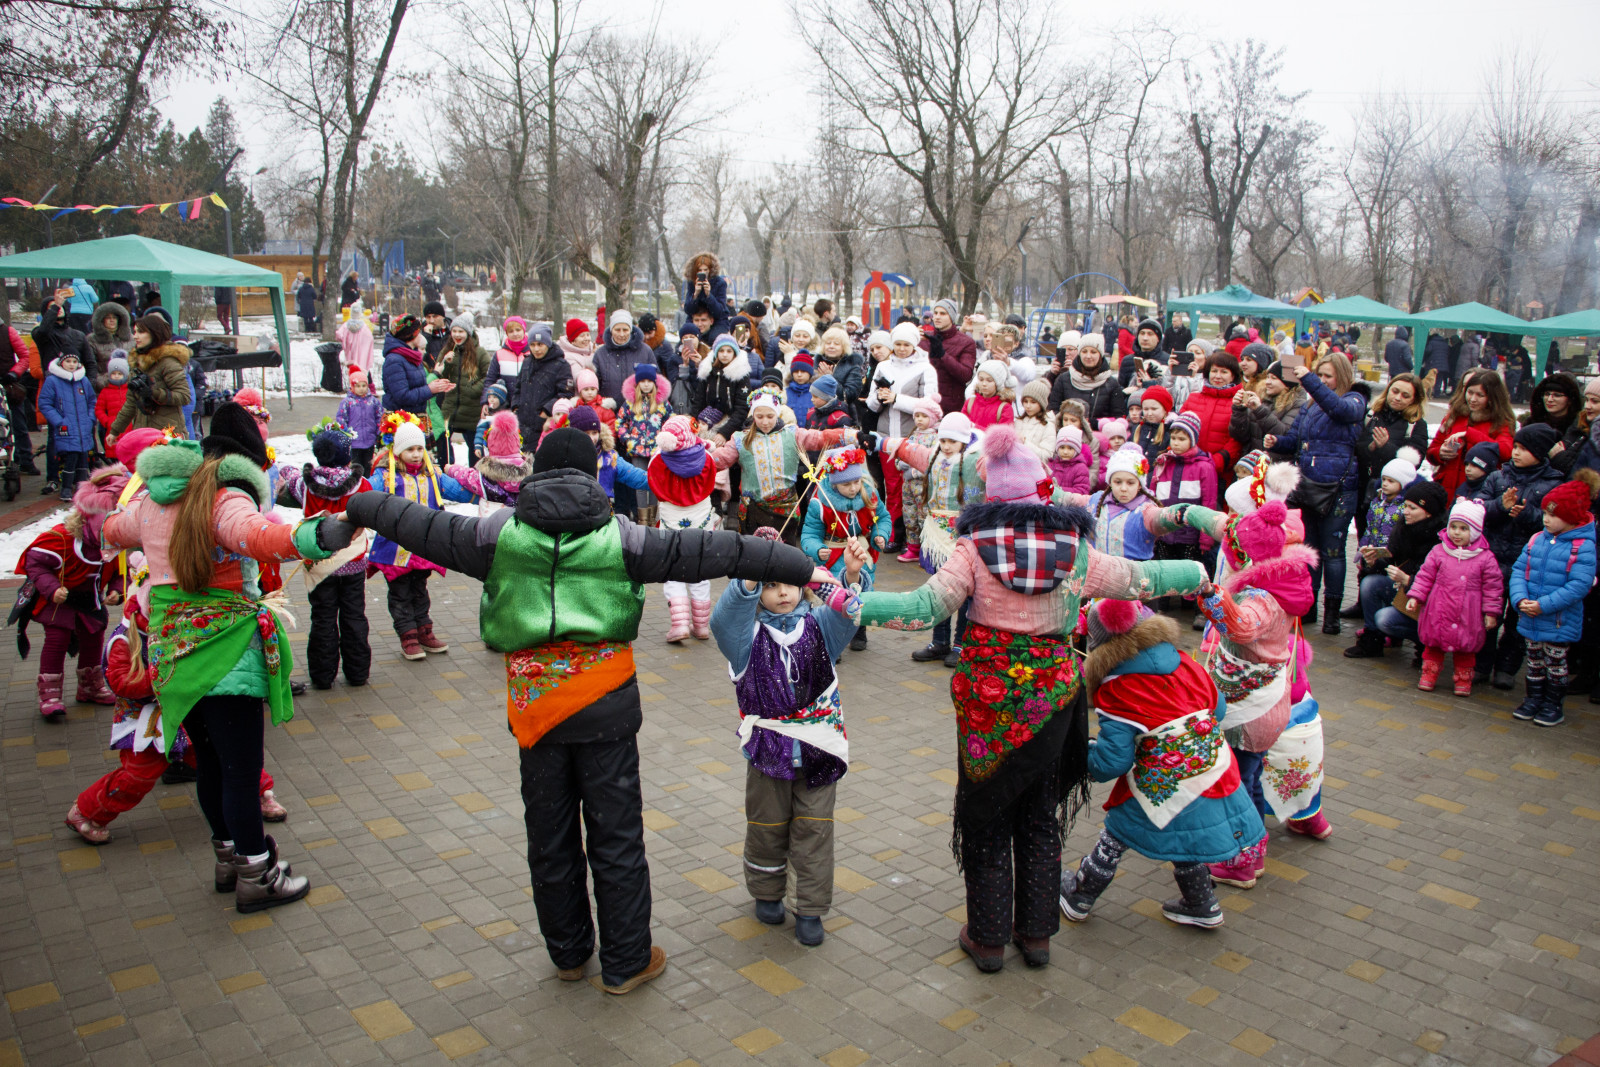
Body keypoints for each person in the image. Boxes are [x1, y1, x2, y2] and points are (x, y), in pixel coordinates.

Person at [347, 425, 838, 992]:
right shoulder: (622, 536)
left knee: (549, 834)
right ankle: (627, 962)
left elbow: (417, 523)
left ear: (536, 473)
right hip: (607, 703)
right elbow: (711, 549)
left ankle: (569, 954)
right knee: (617, 834)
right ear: (590, 473)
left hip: (535, 709)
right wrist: (801, 568)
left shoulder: (498, 534)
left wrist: (358, 504)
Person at [853, 426, 1207, 971]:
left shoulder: (972, 549)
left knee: (988, 812)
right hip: (1053, 694)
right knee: (1040, 816)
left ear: (989, 496)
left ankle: (989, 939)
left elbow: (923, 608)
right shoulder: (1077, 551)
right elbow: (1139, 578)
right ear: (1045, 491)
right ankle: (1037, 936)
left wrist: (849, 603)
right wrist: (1196, 572)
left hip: (987, 701)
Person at [102, 404, 357, 912]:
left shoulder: (157, 502)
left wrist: (112, 504)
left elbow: (112, 531)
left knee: (212, 764)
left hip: (171, 649)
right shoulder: (224, 499)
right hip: (224, 648)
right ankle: (258, 874)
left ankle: (230, 859)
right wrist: (318, 534)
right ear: (244, 461)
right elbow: (260, 537)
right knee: (241, 770)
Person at [1059, 599, 1264, 930]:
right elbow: (1219, 710)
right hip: (1211, 770)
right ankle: (1201, 902)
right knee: (1182, 829)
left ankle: (1081, 894)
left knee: (1118, 830)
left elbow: (1113, 761)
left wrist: (1082, 754)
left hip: (1162, 780)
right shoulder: (1186, 664)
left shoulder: (1120, 688)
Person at [709, 533, 866, 946]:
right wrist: (746, 579)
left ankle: (810, 907)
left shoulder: (818, 628)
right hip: (767, 752)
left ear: (803, 585)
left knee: (814, 830)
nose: (782, 593)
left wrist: (851, 574)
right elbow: (723, 622)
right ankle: (766, 891)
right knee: (767, 826)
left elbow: (847, 614)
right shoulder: (745, 639)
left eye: (790, 584)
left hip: (820, 749)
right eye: (771, 584)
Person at [1264, 354, 1365, 632]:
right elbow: (1295, 440)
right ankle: (1308, 607)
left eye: (1327, 376)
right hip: (1308, 486)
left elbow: (1339, 410)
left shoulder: (1355, 400)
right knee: (1310, 550)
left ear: (1342, 377)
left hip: (1338, 490)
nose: (1322, 381)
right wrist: (1276, 441)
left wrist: (1308, 379)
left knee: (1333, 551)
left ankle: (1331, 614)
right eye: (1319, 375)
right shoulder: (1310, 406)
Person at [367, 412, 477, 659]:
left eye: (420, 448)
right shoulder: (385, 476)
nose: (416, 454)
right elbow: (365, 493)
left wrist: (483, 494)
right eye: (410, 449)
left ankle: (424, 631)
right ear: (398, 451)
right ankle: (408, 636)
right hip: (394, 549)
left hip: (422, 546)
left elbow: (455, 490)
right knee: (400, 592)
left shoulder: (431, 475)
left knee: (419, 589)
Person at [274, 423, 373, 690]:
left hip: (318, 563)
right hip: (351, 562)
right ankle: (357, 672)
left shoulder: (306, 485)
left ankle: (322, 674)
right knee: (354, 616)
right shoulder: (361, 484)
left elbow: (287, 472)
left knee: (323, 618)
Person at [1468, 423, 1564, 689]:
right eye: (1517, 447)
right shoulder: (1498, 477)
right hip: (1493, 559)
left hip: (1529, 565)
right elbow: (1478, 509)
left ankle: (1507, 668)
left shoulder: (1553, 483)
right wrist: (1500, 505)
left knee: (1518, 620)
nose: (1517, 453)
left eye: (1524, 449)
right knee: (1488, 615)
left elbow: (1555, 521)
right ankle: (1481, 664)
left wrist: (1528, 515)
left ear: (1540, 451)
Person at [15, 471, 116, 720]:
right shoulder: (61, 539)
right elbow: (34, 562)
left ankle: (90, 687)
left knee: (94, 640)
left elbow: (119, 570)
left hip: (90, 601)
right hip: (60, 600)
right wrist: (51, 588)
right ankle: (50, 695)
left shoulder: (113, 542)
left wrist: (116, 589)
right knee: (57, 641)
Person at [1508, 479, 1597, 727]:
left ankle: (1553, 704)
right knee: (1534, 658)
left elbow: (1578, 586)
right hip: (1531, 614)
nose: (1546, 519)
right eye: (1546, 512)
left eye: (1553, 515)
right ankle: (1533, 699)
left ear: (1571, 517)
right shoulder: (1538, 539)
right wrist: (1520, 598)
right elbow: (1519, 570)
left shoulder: (1583, 546)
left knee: (1555, 661)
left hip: (1558, 620)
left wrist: (1543, 605)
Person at [1405, 499, 1502, 697]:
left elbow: (1493, 587)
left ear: (1474, 532)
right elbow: (1425, 576)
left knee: (1465, 648)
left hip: (1469, 612)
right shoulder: (1439, 551)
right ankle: (1429, 674)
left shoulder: (1485, 558)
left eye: (1463, 529)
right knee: (1433, 644)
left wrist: (1491, 612)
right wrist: (1416, 596)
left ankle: (1463, 678)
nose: (1456, 532)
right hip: (1438, 608)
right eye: (1453, 527)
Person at [1345, 479, 1450, 659]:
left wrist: (1408, 580)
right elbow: (1391, 560)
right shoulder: (1403, 527)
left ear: (1429, 512)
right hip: (1404, 592)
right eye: (1406, 506)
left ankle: (1425, 644)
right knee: (1370, 583)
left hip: (1428, 603)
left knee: (1385, 619)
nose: (1406, 511)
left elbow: (1441, 586)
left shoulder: (1442, 540)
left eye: (1413, 508)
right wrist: (1374, 561)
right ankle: (1373, 641)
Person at [800, 446, 889, 653]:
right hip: (833, 553)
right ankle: (832, 638)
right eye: (846, 484)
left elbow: (883, 518)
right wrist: (816, 549)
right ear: (834, 483)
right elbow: (809, 534)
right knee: (834, 593)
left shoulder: (869, 496)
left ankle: (859, 630)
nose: (853, 488)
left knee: (861, 589)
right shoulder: (820, 503)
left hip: (859, 550)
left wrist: (880, 535)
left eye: (856, 482)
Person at [38, 352, 97, 502]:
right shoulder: (53, 381)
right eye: (68, 361)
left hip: (83, 427)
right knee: (70, 458)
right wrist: (59, 420)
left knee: (84, 458)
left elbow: (92, 401)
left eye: (74, 361)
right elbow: (45, 403)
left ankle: (82, 488)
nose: (72, 364)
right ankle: (66, 487)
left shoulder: (83, 381)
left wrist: (90, 418)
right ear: (61, 363)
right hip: (67, 427)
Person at [1180, 351, 1245, 484]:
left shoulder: (1239, 402)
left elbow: (1237, 439)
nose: (1218, 376)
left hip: (1220, 471)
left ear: (1233, 375)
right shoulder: (1193, 398)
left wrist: (1216, 461)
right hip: (1188, 466)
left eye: (1224, 372)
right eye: (1214, 371)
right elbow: (1180, 429)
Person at [1088, 446, 1158, 560]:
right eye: (1118, 482)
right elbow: (1071, 499)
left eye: (1130, 483)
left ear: (1139, 485)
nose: (1123, 488)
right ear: (1110, 482)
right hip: (1099, 573)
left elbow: (1162, 519)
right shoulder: (1096, 500)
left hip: (1134, 574)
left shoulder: (1146, 509)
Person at [1047, 335, 1121, 426]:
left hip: (1099, 436)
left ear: (1100, 355)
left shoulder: (1111, 384)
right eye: (1084, 351)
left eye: (1093, 352)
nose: (1088, 356)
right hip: (1067, 434)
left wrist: (1093, 424)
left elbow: (1118, 418)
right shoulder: (1063, 379)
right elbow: (1053, 411)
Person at [922, 299, 977, 414]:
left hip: (951, 406)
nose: (937, 317)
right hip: (925, 404)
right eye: (935, 313)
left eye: (943, 313)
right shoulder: (924, 339)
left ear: (951, 317)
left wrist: (943, 355)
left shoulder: (966, 342)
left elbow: (965, 374)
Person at [593, 311, 656, 406]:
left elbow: (656, 380)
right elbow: (594, 386)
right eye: (617, 330)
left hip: (638, 411)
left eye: (625, 330)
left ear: (631, 330)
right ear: (611, 330)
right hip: (608, 412)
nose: (621, 334)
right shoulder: (600, 354)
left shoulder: (645, 351)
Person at [337, 370, 383, 474]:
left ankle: (367, 482)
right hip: (354, 442)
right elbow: (341, 418)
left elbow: (379, 417)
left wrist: (379, 431)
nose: (361, 389)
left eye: (364, 385)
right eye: (357, 386)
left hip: (369, 439)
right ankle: (357, 483)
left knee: (368, 465)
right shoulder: (347, 402)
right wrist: (346, 433)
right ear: (352, 387)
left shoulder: (373, 401)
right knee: (356, 465)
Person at [682, 252, 730, 341]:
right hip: (697, 318)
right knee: (687, 337)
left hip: (717, 320)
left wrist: (709, 295)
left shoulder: (720, 283)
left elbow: (719, 311)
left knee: (715, 338)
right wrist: (695, 294)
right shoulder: (692, 283)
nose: (703, 273)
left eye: (705, 270)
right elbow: (688, 310)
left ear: (710, 270)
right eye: (700, 270)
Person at [85, 301, 132, 384]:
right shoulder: (92, 339)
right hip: (105, 385)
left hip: (129, 385)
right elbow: (90, 365)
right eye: (108, 318)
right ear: (102, 320)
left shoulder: (131, 338)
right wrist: (103, 382)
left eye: (114, 317)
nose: (112, 320)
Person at [962, 359, 1016, 430]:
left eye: (989, 380)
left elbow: (1002, 436)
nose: (984, 384)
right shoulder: (970, 403)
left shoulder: (1004, 408)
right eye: (981, 379)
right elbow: (961, 427)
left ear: (998, 383)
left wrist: (974, 427)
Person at [336, 301, 375, 384]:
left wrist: (346, 341)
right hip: (361, 355)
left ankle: (353, 387)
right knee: (363, 371)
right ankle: (367, 387)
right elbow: (369, 338)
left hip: (351, 355)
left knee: (353, 372)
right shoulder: (364, 327)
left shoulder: (346, 325)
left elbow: (339, 334)